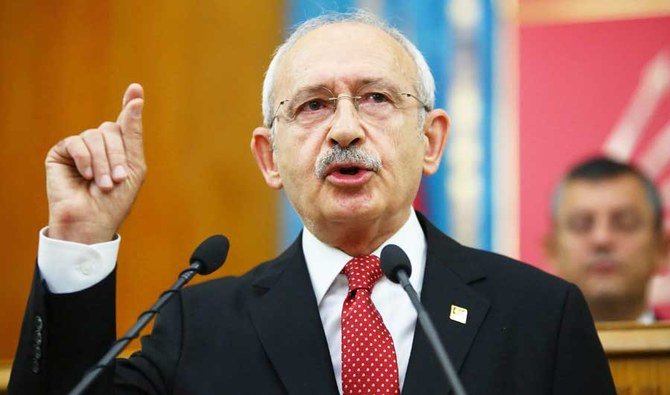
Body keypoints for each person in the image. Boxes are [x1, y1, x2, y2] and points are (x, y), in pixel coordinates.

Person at [9, 11, 615, 395]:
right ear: (269, 158)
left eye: (376, 98)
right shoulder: (199, 329)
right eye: (313, 105)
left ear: (430, 142)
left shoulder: (542, 318)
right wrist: (80, 238)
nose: (346, 129)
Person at [545, 156, 669, 323]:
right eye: (582, 224)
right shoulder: (521, 349)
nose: (602, 239)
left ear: (662, 247)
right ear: (553, 250)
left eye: (625, 223)